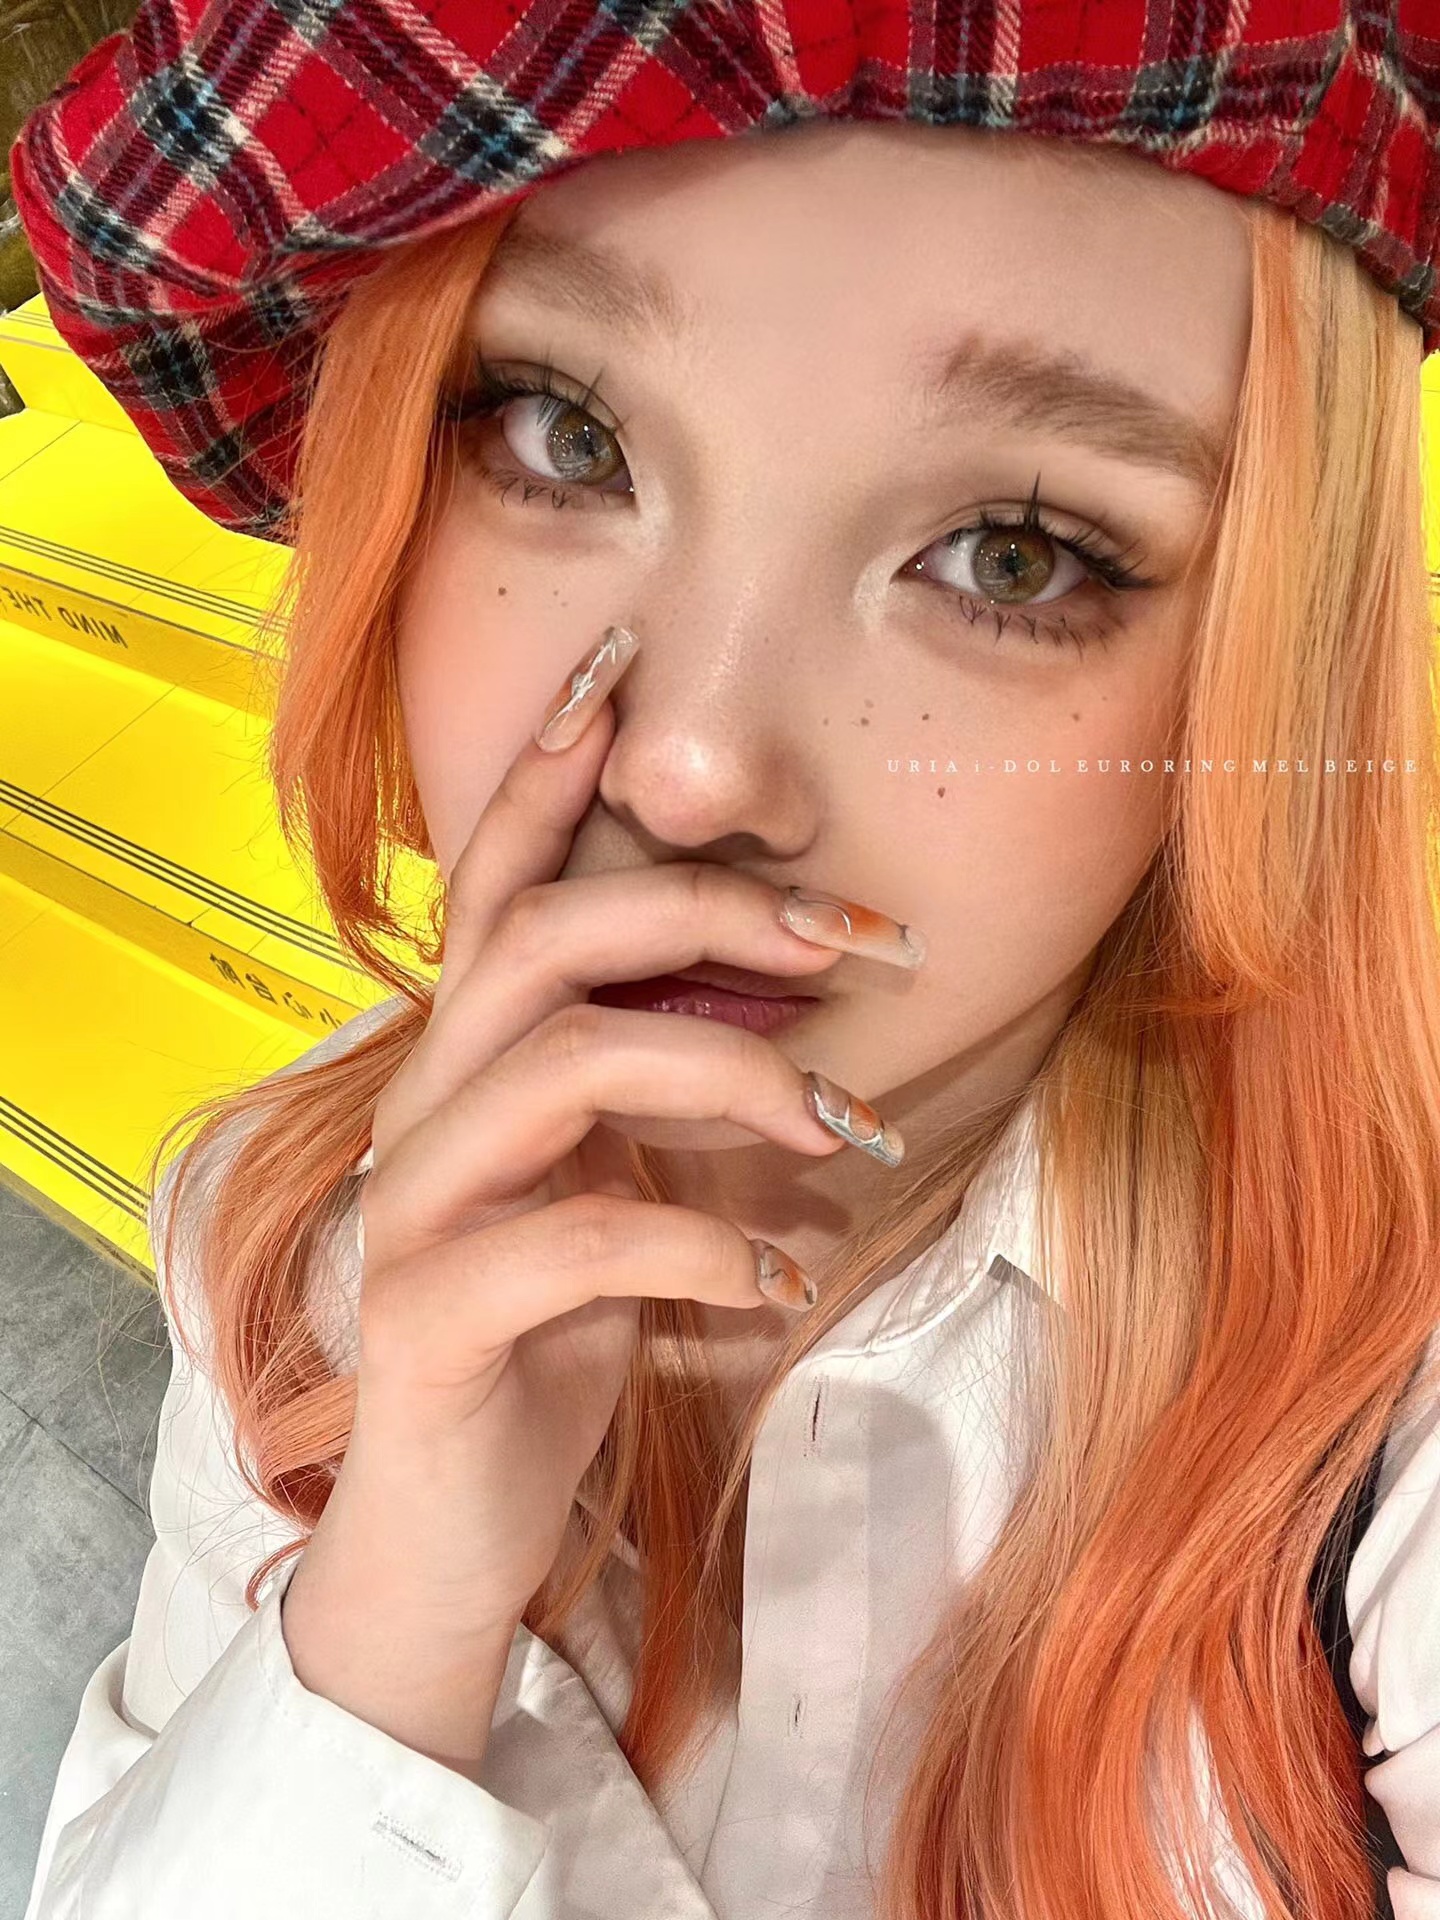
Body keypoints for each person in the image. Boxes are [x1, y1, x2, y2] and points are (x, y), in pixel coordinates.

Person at [9, 3, 1440, 1916]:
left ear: (1260, 662)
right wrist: (396, 1598)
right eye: (563, 435)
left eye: (1014, 554)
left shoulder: (1383, 1409)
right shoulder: (275, 1233)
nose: (690, 771)